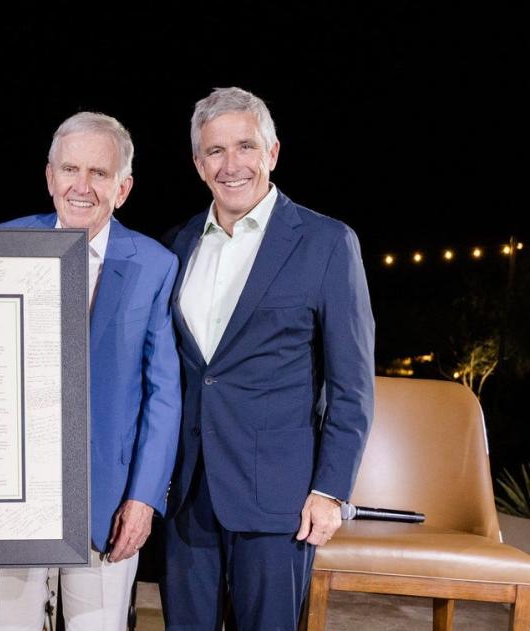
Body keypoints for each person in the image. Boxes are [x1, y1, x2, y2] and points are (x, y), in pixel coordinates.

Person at [160, 87, 375, 630]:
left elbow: (352, 385)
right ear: (198, 164)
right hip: (189, 496)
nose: (232, 165)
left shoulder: (327, 242)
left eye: (245, 147)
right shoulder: (178, 244)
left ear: (272, 153)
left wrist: (331, 492)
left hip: (280, 502)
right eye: (215, 151)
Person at [0, 112, 181, 630]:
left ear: (124, 187)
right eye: (70, 169)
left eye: (99, 173)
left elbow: (163, 395)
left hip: (107, 501)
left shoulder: (155, 265)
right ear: (49, 177)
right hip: (13, 500)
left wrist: (142, 498)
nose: (82, 185)